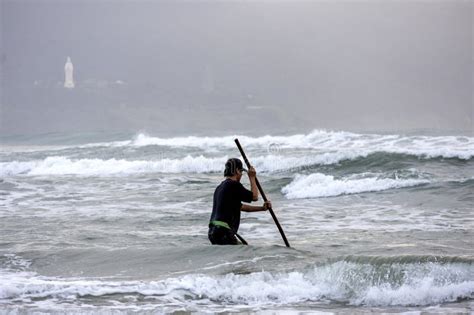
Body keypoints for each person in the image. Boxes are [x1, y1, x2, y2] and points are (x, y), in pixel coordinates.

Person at [208, 158, 271, 245]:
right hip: (223, 231)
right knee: (243, 254)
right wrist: (252, 177)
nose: (241, 175)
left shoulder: (220, 188)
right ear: (237, 171)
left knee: (240, 250)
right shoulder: (233, 184)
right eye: (241, 172)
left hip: (213, 232)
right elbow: (254, 196)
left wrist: (262, 208)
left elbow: (241, 207)